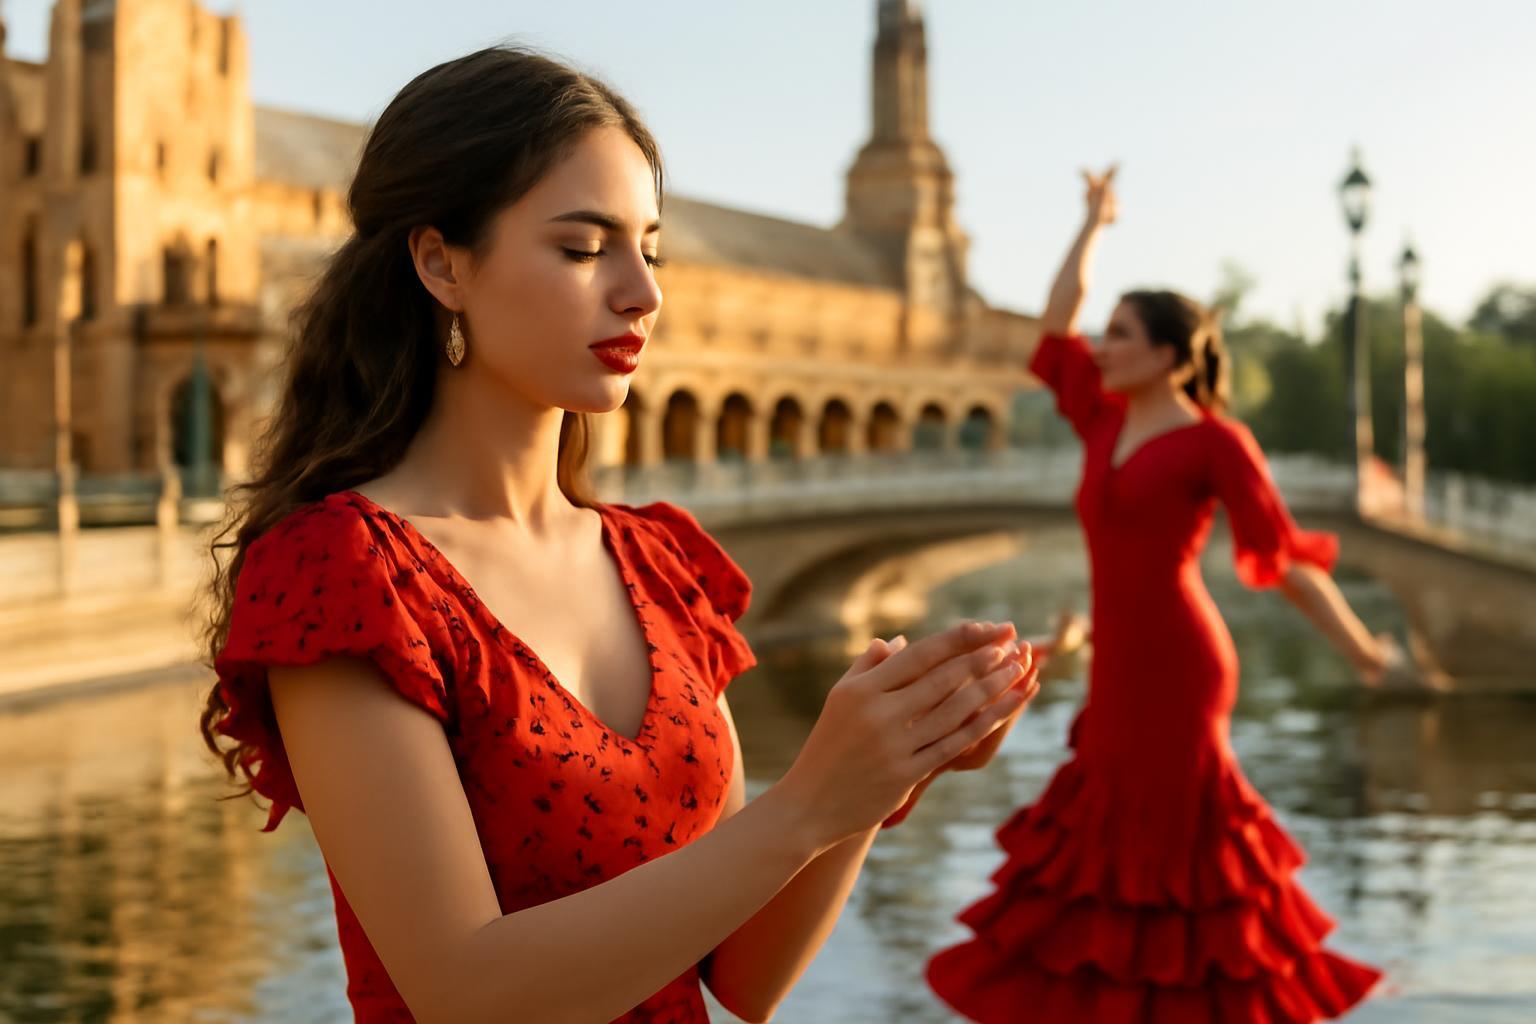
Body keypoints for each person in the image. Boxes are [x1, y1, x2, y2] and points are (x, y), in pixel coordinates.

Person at [196, 47, 1040, 1024]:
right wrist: (807, 799)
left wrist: (874, 778)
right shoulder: (345, 573)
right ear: (440, 263)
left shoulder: (659, 562)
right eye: (584, 247)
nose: (642, 291)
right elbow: (467, 995)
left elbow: (743, 977)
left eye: (651, 249)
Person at [926, 167, 1389, 1022]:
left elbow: (1284, 561)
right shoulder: (1102, 418)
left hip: (1181, 670)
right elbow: (1055, 324)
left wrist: (1360, 649)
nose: (1101, 347)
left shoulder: (1219, 443)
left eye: (1122, 335)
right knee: (1103, 867)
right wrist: (1093, 224)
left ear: (1170, 355)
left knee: (1186, 869)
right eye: (1106, 334)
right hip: (1120, 671)